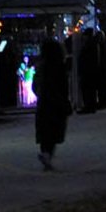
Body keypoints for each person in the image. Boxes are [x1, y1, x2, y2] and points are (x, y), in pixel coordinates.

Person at [34, 38, 71, 170]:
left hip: (44, 102)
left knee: (45, 131)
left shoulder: (42, 66)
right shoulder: (60, 66)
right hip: (57, 102)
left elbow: (36, 85)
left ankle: (46, 153)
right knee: (54, 130)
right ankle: (48, 155)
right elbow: (63, 86)